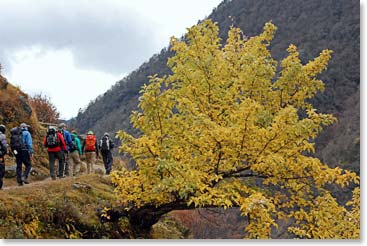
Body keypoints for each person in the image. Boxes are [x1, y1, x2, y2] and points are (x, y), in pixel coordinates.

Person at [0, 124, 8, 190]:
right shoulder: (2, 136)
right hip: (0, 155)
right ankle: (0, 186)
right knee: (1, 169)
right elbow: (5, 146)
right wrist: (4, 153)